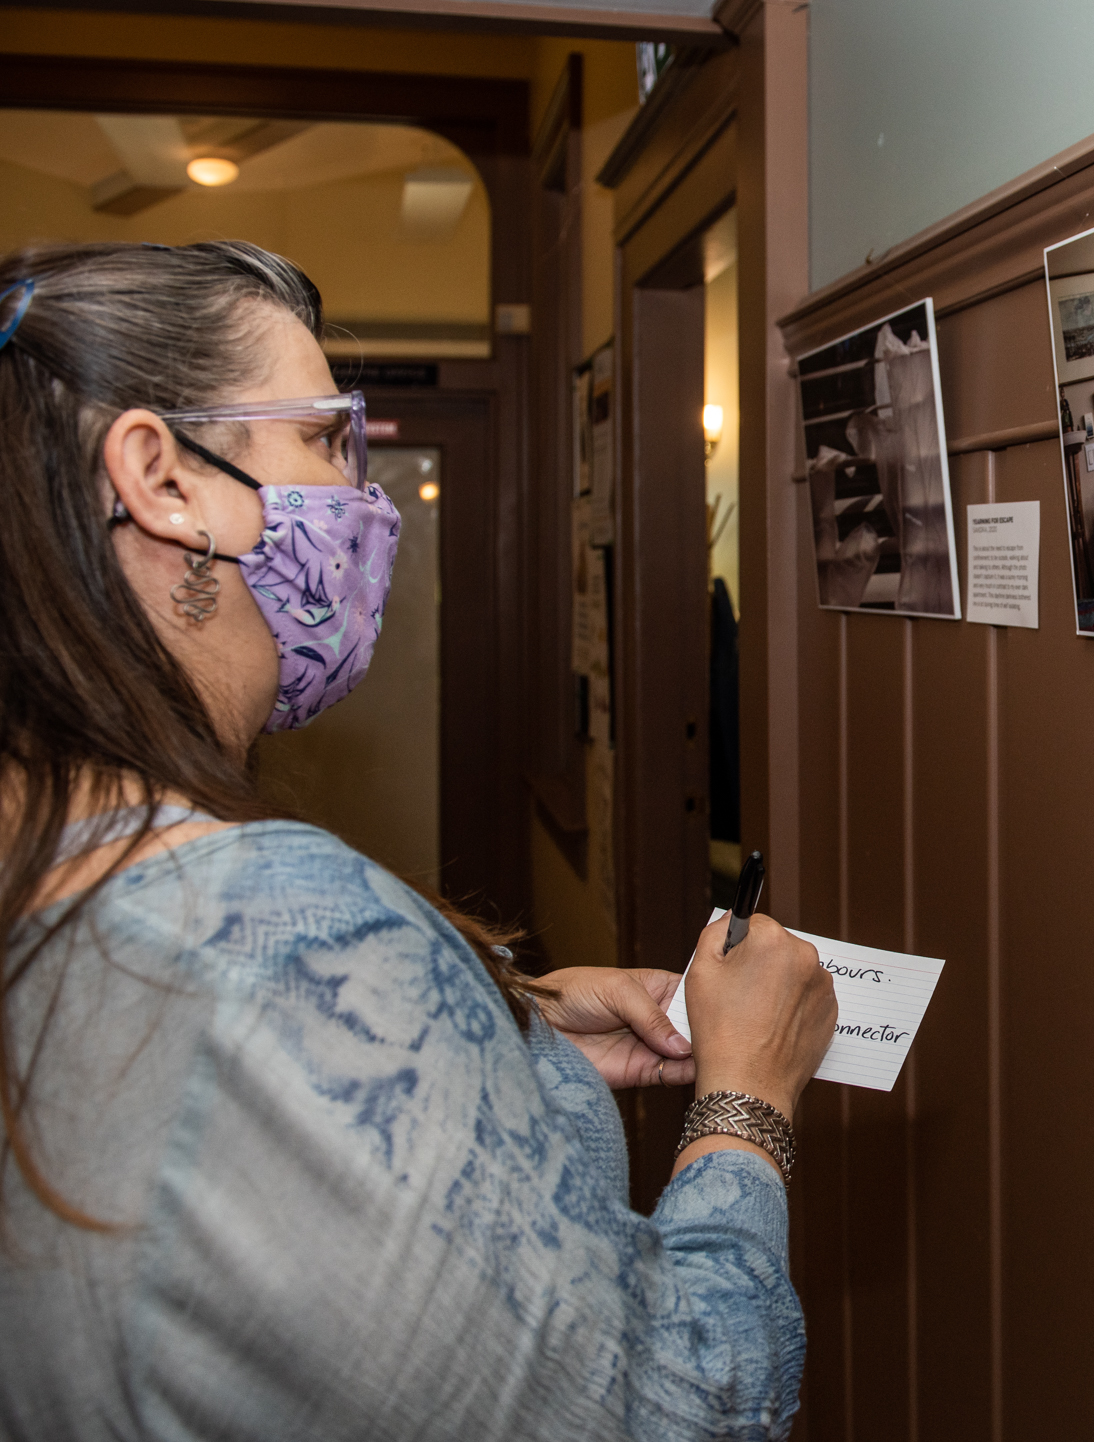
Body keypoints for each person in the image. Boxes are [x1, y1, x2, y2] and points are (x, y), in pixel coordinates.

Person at [0, 241, 838, 1440]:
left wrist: (501, 1025)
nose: (361, 497)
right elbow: (678, 1403)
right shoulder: (289, 938)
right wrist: (747, 1097)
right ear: (161, 477)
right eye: (325, 441)